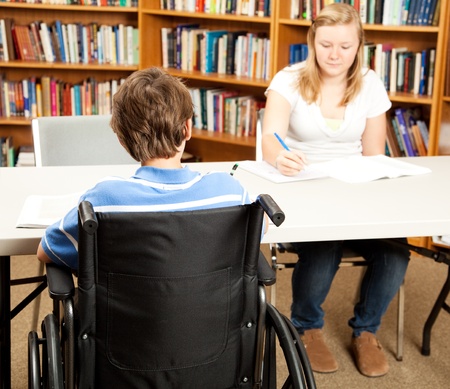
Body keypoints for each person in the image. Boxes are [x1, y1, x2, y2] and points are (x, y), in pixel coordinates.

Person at [261, 3, 410, 378]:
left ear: (359, 45)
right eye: (326, 44)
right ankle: (306, 327)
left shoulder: (371, 83)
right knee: (324, 247)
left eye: (345, 46)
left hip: (354, 191)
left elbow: (375, 153)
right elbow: (270, 138)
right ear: (313, 41)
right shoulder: (288, 79)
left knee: (395, 252)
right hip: (304, 189)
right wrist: (280, 157)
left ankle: (366, 331)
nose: (334, 55)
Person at [37, 67, 261, 270]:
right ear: (187, 129)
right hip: (219, 314)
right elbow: (262, 227)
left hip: (120, 316)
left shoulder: (102, 200)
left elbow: (46, 251)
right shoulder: (229, 191)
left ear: (122, 140)